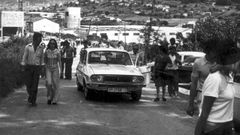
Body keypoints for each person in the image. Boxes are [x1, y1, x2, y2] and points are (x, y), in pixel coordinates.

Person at [194, 39, 240, 135]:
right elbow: (204, 115)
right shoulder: (215, 79)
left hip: (226, 127)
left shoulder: (228, 77)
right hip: (213, 129)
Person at [186, 44, 218, 116]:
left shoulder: (220, 63)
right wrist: (190, 104)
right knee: (203, 121)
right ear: (207, 51)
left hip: (218, 97)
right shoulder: (198, 63)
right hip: (203, 96)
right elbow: (194, 84)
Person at [21, 32, 45, 106]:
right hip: (28, 67)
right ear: (35, 39)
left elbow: (42, 59)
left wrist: (42, 69)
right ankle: (31, 96)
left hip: (37, 68)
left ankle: (33, 100)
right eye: (39, 39)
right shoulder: (28, 47)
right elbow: (24, 57)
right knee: (28, 85)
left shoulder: (41, 48)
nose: (40, 41)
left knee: (35, 85)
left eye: (41, 39)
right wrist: (22, 66)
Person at [44, 39, 61, 105]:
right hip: (48, 68)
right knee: (49, 83)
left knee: (55, 84)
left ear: (55, 44)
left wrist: (61, 70)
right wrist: (43, 69)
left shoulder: (57, 51)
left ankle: (54, 99)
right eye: (51, 43)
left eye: (53, 43)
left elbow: (60, 61)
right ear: (49, 44)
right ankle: (49, 97)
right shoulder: (46, 51)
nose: (52, 45)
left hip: (55, 69)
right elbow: (45, 60)